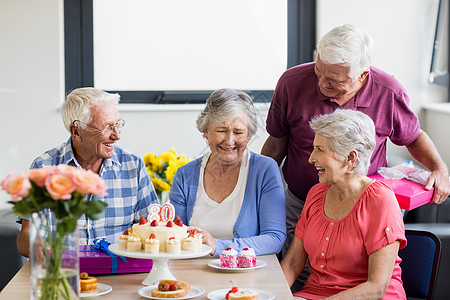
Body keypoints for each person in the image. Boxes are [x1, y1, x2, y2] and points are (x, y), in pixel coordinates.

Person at [262, 24, 450, 265]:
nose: (321, 84)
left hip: (363, 207)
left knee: (350, 275)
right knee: (299, 270)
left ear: (363, 75)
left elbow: (412, 137)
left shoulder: (388, 92)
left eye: (333, 80)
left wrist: (440, 168)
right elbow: (276, 144)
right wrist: (256, 189)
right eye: (319, 71)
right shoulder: (292, 82)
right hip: (301, 201)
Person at [17, 87, 158, 257]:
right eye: (107, 128)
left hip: (120, 272)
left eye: (118, 124)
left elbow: (153, 226)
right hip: (65, 273)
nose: (117, 135)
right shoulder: (43, 167)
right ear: (76, 132)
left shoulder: (133, 166)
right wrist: (37, 247)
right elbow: (26, 234)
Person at [281, 109, 406, 299]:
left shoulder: (380, 200)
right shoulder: (316, 194)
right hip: (315, 294)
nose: (311, 158)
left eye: (320, 150)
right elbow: (292, 264)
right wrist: (271, 293)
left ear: (350, 158)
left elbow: (376, 287)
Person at [170, 88, 286, 256]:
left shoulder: (265, 170)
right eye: (221, 131)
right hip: (193, 271)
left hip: (247, 272)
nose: (230, 141)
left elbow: (274, 238)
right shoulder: (184, 175)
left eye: (238, 132)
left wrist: (217, 246)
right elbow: (174, 234)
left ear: (249, 134)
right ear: (206, 131)